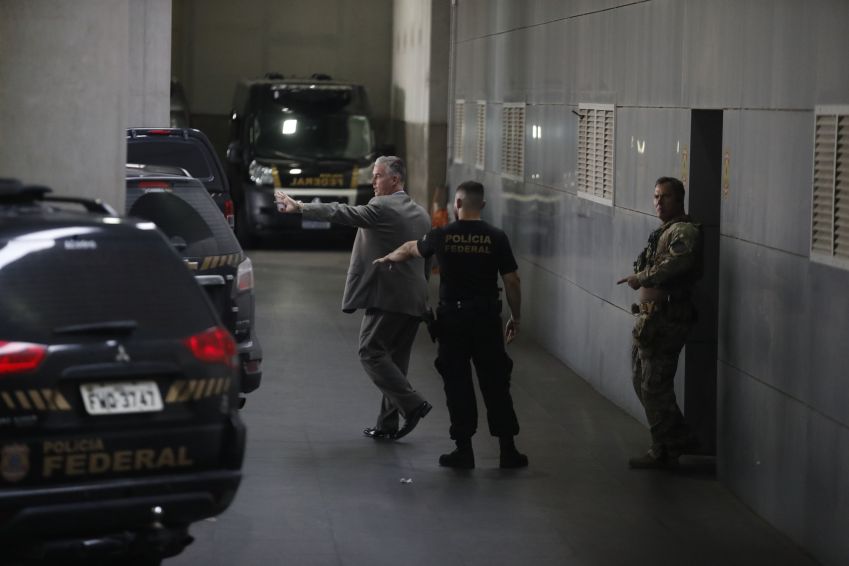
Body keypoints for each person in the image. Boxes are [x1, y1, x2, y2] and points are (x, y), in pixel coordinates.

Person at [276, 156, 433, 440]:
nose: (372, 181)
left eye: (378, 176)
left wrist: (300, 206)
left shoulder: (382, 207)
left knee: (370, 352)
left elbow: (343, 212)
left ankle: (412, 404)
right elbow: (426, 260)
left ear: (395, 180)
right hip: (414, 300)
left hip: (387, 297)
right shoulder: (421, 214)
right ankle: (387, 425)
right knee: (395, 362)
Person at [374, 180, 527, 469]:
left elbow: (410, 249)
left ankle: (464, 450)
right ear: (481, 205)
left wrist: (387, 258)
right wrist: (515, 317)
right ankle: (508, 450)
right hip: (485, 320)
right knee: (495, 383)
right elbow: (512, 280)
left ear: (456, 204)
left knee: (458, 385)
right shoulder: (496, 237)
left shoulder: (442, 235)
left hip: (453, 321)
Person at [617, 176, 703, 469]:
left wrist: (640, 278)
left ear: (679, 200)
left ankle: (671, 445)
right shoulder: (664, 231)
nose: (658, 202)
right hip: (652, 319)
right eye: (655, 196)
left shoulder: (684, 231)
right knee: (643, 382)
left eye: (664, 197)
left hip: (668, 319)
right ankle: (668, 443)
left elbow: (677, 264)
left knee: (655, 386)